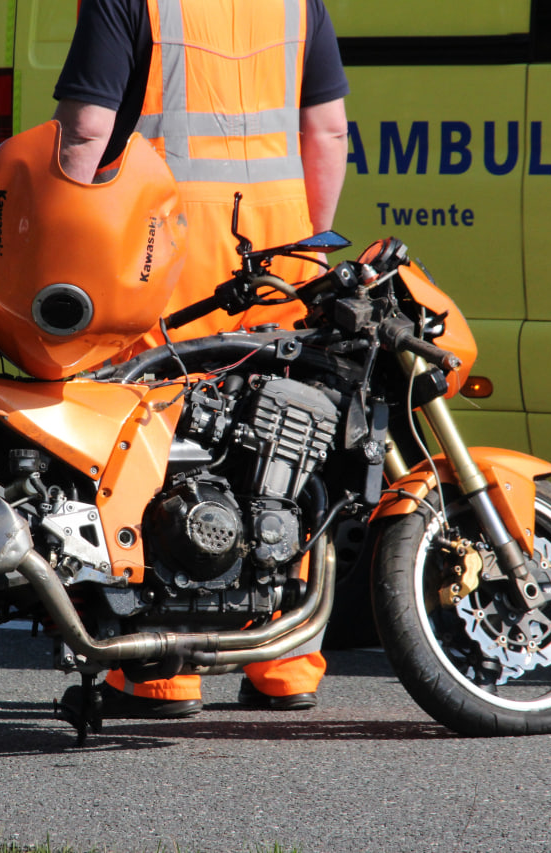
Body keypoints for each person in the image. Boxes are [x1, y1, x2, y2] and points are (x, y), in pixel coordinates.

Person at [51, 0, 350, 718]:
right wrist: (312, 241)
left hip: (165, 249)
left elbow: (85, 132)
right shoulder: (293, 2)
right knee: (282, 442)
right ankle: (286, 662)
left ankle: (162, 669)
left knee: (154, 446)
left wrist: (66, 246)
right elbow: (327, 129)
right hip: (277, 254)